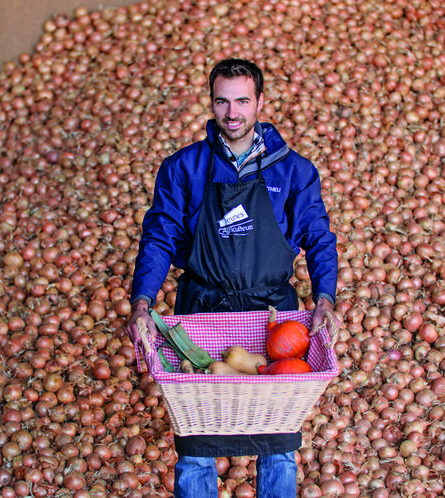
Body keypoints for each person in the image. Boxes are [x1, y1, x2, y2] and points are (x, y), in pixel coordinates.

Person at [125, 58, 339, 498]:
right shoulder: (184, 167)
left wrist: (324, 300)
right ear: (211, 103)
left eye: (242, 101)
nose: (232, 113)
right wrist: (142, 302)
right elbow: (159, 236)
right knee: (196, 440)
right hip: (200, 311)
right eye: (222, 101)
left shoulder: (294, 170)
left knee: (278, 440)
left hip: (272, 316)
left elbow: (319, 238)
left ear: (260, 101)